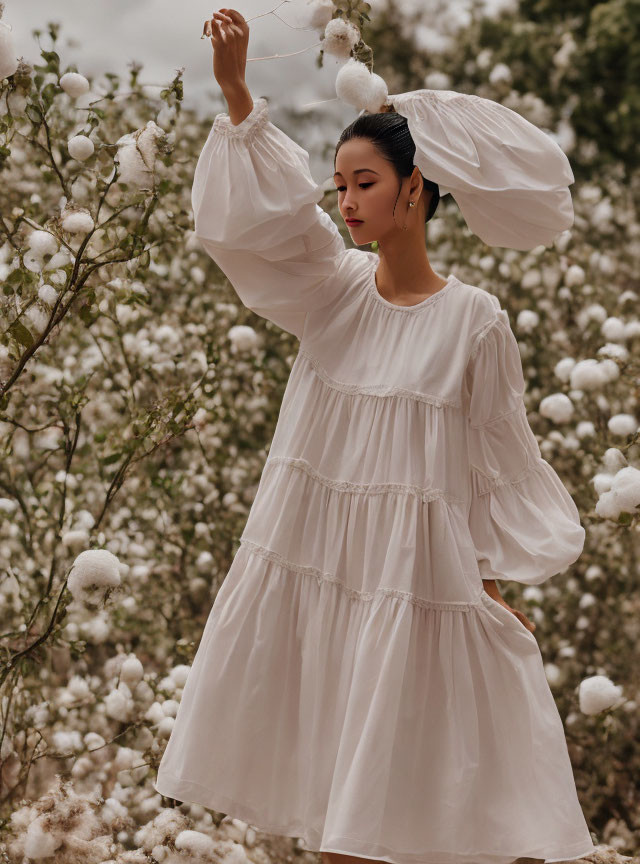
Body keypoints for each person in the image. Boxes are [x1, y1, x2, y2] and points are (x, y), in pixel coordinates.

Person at [154, 9, 596, 864]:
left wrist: (494, 582)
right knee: (335, 832)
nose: (345, 201)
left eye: (363, 183)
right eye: (340, 183)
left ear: (415, 189)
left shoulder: (475, 321)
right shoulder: (332, 290)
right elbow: (258, 228)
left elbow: (499, 462)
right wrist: (240, 95)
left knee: (381, 835)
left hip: (411, 587)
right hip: (320, 572)